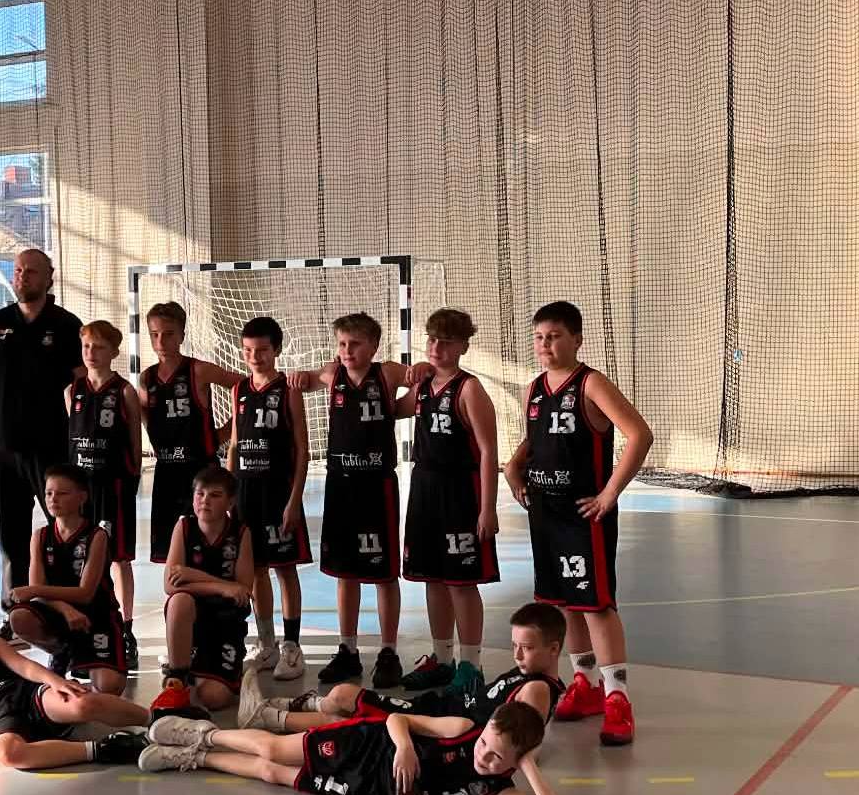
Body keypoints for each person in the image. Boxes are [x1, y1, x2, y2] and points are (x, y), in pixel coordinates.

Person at [504, 301, 654, 746]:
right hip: (544, 512)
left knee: (595, 605)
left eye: (554, 336)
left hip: (582, 514)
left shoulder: (590, 383)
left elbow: (640, 435)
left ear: (576, 340)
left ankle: (617, 696)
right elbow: (536, 440)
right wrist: (513, 468)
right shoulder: (534, 389)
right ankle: (584, 683)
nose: (545, 344)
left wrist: (610, 492)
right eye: (539, 337)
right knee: (564, 603)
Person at [138, 698, 570, 795]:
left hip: (367, 787)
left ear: (515, 761)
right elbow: (398, 719)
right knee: (272, 750)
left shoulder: (500, 793)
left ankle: (195, 758)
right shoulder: (460, 729)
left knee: (271, 774)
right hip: (370, 744)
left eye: (497, 757)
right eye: (485, 743)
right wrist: (405, 748)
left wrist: (529, 767)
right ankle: (205, 734)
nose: (484, 756)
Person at [290, 312, 421, 689]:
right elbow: (306, 380)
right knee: (344, 571)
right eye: (342, 344)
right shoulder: (333, 374)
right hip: (340, 484)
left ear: (374, 346)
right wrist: (300, 377)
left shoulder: (387, 373)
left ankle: (388, 651)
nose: (347, 350)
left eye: (356, 344)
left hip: (377, 484)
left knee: (383, 573)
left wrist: (415, 384)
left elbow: (420, 375)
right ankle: (347, 649)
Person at [239, 601, 567, 735]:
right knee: (344, 706)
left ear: (554, 649)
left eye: (527, 647)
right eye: (514, 645)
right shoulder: (529, 674)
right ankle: (274, 710)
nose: (517, 654)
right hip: (439, 707)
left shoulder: (537, 689)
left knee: (344, 701)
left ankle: (267, 715)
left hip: (438, 722)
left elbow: (523, 742)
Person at [0, 593, 150, 769]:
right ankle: (107, 749)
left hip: (24, 697)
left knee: (81, 703)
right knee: (7, 754)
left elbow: (24, 666)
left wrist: (55, 681)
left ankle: (155, 717)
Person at [399, 308, 500, 697]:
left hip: (460, 491)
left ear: (463, 347)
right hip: (424, 487)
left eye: (446, 341)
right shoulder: (424, 385)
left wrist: (487, 507)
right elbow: (392, 409)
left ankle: (471, 665)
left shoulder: (469, 389)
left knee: (461, 581)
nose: (437, 347)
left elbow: (489, 451)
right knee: (432, 578)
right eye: (432, 339)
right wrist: (406, 375)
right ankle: (442, 660)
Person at [0, 248, 84, 615]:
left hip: (50, 448)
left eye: (31, 271)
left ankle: (70, 607)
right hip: (5, 448)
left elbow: (80, 386)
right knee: (12, 532)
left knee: (64, 528)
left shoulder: (67, 325)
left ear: (49, 277)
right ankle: (16, 611)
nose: (23, 277)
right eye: (18, 271)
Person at [229, 316, 309, 681]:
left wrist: (294, 500)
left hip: (278, 491)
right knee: (256, 569)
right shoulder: (238, 390)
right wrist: (229, 492)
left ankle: (292, 647)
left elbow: (302, 449)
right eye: (248, 350)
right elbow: (234, 444)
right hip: (246, 492)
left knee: (285, 569)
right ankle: (267, 644)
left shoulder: (287, 389)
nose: (254, 357)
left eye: (262, 350)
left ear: (276, 350)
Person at [7, 466, 128, 695]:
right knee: (20, 617)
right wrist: (65, 609)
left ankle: (89, 660)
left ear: (82, 497)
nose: (53, 499)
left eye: (62, 493)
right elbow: (38, 591)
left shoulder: (97, 536)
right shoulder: (40, 536)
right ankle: (61, 651)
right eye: (49, 493)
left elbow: (85, 593)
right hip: (59, 614)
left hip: (96, 616)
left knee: (109, 687)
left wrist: (34, 590)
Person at [136, 301, 239, 567]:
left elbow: (247, 388)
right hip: (166, 471)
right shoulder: (146, 379)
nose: (161, 341)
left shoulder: (199, 370)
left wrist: (223, 433)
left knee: (206, 547)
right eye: (154, 334)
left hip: (200, 470)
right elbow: (146, 414)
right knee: (169, 552)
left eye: (168, 334)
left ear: (182, 335)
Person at [66, 320, 143, 666]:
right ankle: (83, 624)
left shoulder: (124, 392)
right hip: (80, 492)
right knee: (79, 557)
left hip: (113, 487)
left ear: (114, 352)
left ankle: (125, 629)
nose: (91, 353)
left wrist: (130, 483)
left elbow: (135, 446)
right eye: (86, 346)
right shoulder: (72, 392)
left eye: (98, 347)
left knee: (118, 558)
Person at [152, 464, 255, 713]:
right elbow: (170, 585)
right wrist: (222, 587)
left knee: (214, 698)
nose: (205, 500)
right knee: (179, 600)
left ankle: (211, 669)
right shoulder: (184, 527)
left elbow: (243, 591)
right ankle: (178, 677)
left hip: (225, 623)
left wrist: (192, 575)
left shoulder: (241, 533)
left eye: (215, 495)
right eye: (200, 494)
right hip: (194, 618)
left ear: (230, 502)